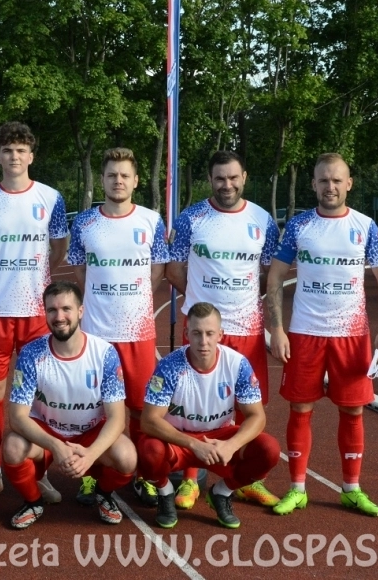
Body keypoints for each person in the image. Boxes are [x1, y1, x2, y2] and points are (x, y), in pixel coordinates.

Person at [266, 152, 378, 517]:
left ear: (349, 184)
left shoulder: (364, 226)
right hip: (305, 332)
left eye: (337, 180)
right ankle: (297, 489)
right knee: (300, 408)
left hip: (351, 335)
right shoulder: (299, 226)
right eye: (324, 180)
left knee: (352, 409)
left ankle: (351, 489)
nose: (330, 186)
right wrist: (277, 329)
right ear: (313, 184)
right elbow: (275, 277)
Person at [165, 150, 280, 510]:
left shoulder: (263, 220)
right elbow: (173, 269)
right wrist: (200, 303)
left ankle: (243, 481)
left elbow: (271, 273)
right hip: (202, 328)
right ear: (210, 180)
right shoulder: (191, 218)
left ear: (244, 177)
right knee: (192, 403)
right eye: (219, 178)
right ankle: (190, 480)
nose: (226, 184)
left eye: (233, 177)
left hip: (247, 327)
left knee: (249, 406)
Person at [0, 121, 68, 504]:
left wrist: (37, 276)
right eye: (8, 150)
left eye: (21, 150)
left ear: (31, 156)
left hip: (37, 310)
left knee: (40, 392)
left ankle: (39, 472)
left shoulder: (51, 197)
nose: (14, 156)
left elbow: (59, 247)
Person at [66, 147, 169, 507]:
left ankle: (144, 475)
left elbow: (157, 270)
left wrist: (134, 299)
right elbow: (80, 269)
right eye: (111, 175)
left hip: (138, 332)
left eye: (125, 175)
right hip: (96, 333)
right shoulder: (85, 222)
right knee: (94, 409)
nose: (118, 181)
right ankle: (93, 474)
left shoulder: (151, 221)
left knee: (142, 409)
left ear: (136, 181)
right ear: (103, 180)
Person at [2, 281, 137, 529]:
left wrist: (90, 455)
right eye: (52, 310)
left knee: (127, 457)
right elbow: (17, 417)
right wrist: (55, 445)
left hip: (89, 431)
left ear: (80, 311)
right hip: (47, 432)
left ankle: (103, 493)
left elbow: (117, 418)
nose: (59, 316)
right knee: (12, 447)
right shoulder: (31, 354)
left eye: (66, 309)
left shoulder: (104, 354)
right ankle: (33, 502)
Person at [138, 302, 281, 529]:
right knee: (149, 450)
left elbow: (257, 417)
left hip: (219, 438)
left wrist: (232, 445)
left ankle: (221, 493)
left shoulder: (237, 364)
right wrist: (194, 445)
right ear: (186, 334)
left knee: (269, 449)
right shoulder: (169, 366)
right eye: (196, 333)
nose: (203, 341)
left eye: (209, 333)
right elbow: (149, 420)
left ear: (220, 335)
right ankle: (165, 492)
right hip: (178, 440)